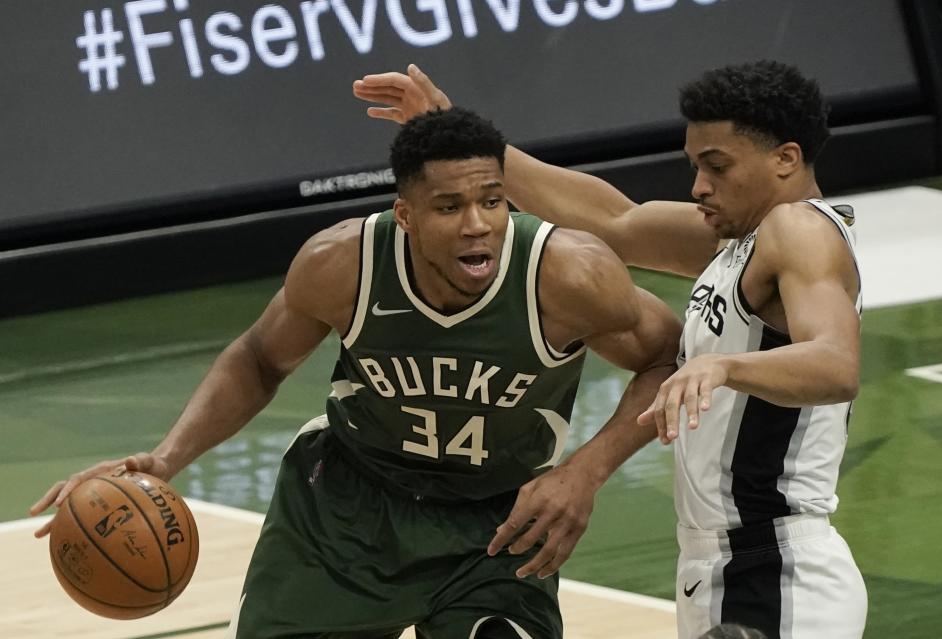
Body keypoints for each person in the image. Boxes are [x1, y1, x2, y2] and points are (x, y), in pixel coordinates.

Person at [30, 107, 682, 638]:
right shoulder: (342, 263)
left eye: (491, 201)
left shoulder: (568, 275)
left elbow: (666, 354)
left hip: (497, 523)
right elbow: (260, 358)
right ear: (405, 216)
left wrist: (585, 471)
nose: (478, 225)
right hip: (345, 514)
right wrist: (167, 458)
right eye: (450, 207)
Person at [353, 60, 868, 638]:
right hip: (720, 563)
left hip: (775, 565)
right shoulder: (738, 241)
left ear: (786, 159)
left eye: (717, 167)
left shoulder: (798, 230)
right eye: (696, 165)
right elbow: (612, 219)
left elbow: (835, 363)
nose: (699, 185)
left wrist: (721, 364)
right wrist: (462, 136)